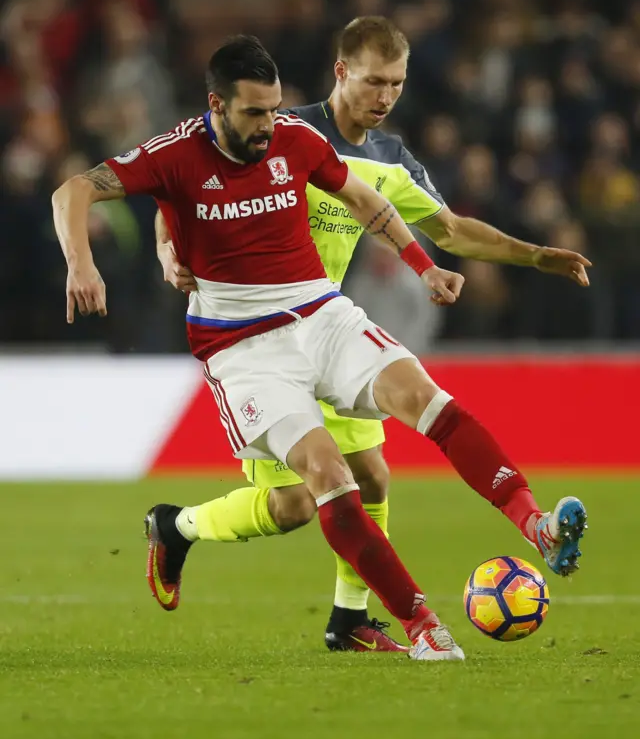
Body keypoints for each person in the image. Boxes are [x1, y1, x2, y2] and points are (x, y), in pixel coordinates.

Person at [52, 35, 589, 663]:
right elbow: (75, 191)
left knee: (423, 403)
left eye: (275, 109)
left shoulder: (299, 141)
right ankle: (416, 620)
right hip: (242, 344)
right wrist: (84, 264)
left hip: (321, 311)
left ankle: (535, 526)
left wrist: (423, 268)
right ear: (215, 106)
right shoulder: (176, 151)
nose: (267, 126)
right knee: (311, 493)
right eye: (254, 113)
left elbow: (367, 203)